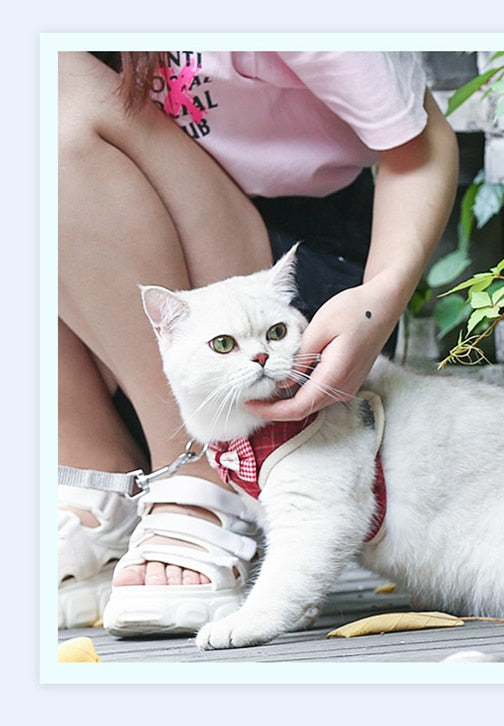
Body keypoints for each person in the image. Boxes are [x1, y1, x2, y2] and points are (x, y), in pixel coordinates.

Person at [57, 50, 459, 634]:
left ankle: (201, 475)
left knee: (51, 87)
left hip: (285, 295)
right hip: (144, 323)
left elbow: (420, 143)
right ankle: (94, 469)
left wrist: (378, 301)